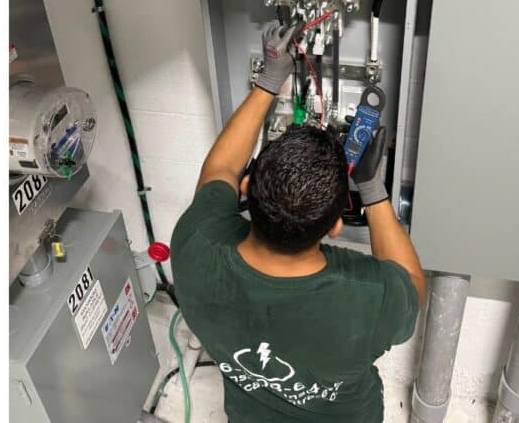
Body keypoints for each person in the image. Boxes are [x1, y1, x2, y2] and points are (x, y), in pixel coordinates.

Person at [170, 22, 426, 422]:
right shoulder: (369, 297)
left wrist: (270, 79)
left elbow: (220, 169)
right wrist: (372, 189)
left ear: (248, 187)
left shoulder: (195, 245)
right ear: (336, 225)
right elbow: (412, 285)